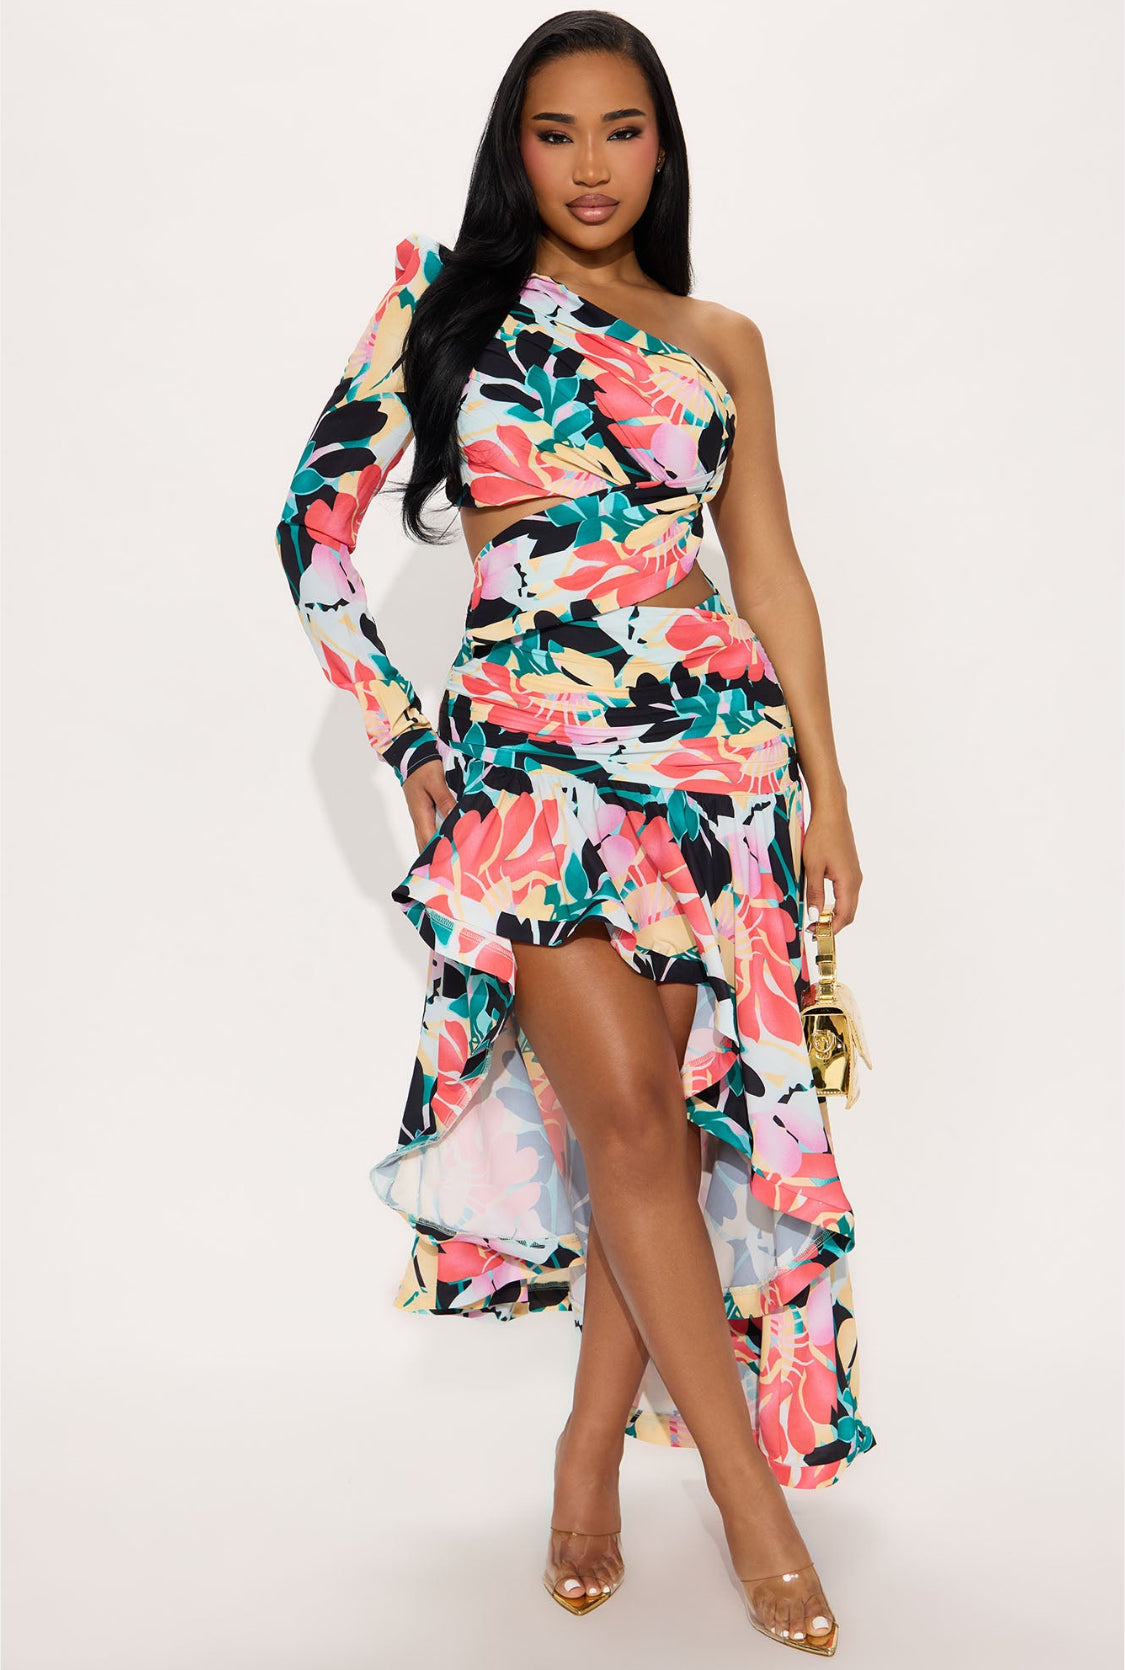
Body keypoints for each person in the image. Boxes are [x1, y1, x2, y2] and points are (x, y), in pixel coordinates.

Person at [274, 9, 875, 1655]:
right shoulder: (444, 309)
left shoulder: (718, 336)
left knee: (655, 1136)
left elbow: (769, 570)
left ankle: (586, 1454)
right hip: (527, 766)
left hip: (710, 761)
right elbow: (309, 534)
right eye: (556, 133)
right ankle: (749, 1502)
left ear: (660, 147)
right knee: (621, 1111)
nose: (591, 165)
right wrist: (404, 735)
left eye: (621, 130)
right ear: (513, 149)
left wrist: (827, 786)